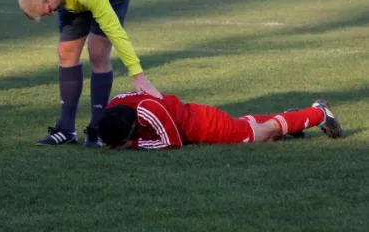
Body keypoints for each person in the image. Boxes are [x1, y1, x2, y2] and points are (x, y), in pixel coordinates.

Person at [18, 0, 161, 147]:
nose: (51, 14)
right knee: (66, 52)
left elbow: (115, 31)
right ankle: (66, 129)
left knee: (98, 52)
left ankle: (97, 129)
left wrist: (139, 76)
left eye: (48, 11)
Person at [97, 92, 342, 149]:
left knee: (260, 135)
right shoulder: (114, 107)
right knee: (248, 125)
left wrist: (132, 144)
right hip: (195, 115)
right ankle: (293, 118)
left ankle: (319, 113)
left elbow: (171, 143)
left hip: (206, 126)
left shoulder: (149, 111)